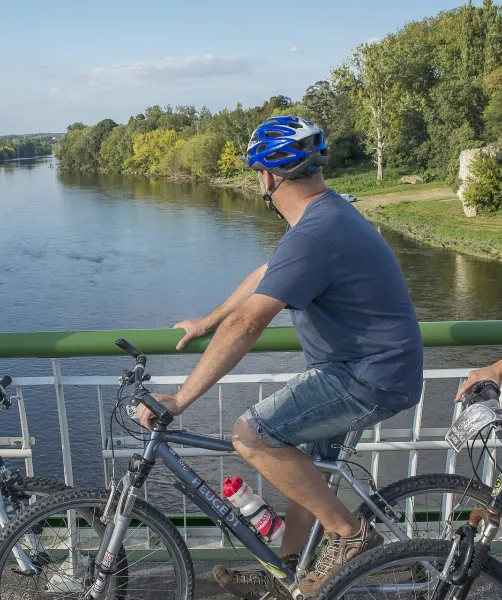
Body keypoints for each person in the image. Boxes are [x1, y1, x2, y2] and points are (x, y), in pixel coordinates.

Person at [136, 116, 424, 597]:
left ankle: (350, 535)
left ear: (267, 178)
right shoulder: (325, 216)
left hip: (365, 376)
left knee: (252, 435)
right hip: (370, 368)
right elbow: (266, 273)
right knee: (303, 475)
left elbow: (249, 323)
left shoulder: (315, 232)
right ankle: (289, 571)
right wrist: (207, 321)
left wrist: (180, 398)